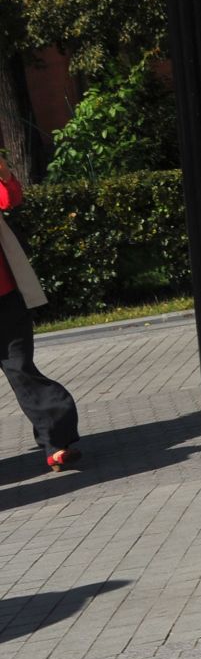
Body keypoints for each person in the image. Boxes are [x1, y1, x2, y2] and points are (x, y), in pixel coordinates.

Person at [0, 154, 80, 471]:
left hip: (6, 296)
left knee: (21, 368)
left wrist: (5, 176)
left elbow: (10, 197)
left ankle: (56, 443)